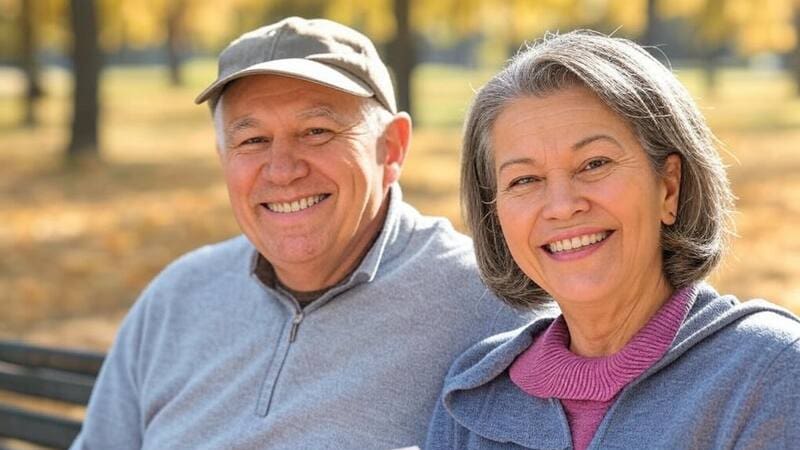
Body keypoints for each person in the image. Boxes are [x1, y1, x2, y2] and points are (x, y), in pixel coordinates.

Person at [71, 17, 526, 450]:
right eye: (252, 140)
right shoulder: (176, 299)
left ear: (391, 148)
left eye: (316, 131)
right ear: (222, 155)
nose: (283, 170)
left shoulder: (490, 309)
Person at [426, 31, 800, 449]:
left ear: (668, 188)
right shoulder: (474, 395)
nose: (562, 206)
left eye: (594, 164)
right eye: (525, 179)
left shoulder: (771, 372)